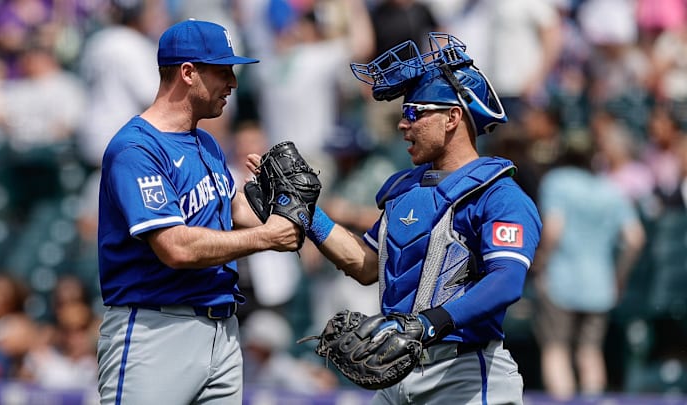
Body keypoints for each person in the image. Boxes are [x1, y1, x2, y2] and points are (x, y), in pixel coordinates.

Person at [251, 33, 542, 404]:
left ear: (453, 117)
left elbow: (507, 282)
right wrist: (307, 215)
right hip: (396, 373)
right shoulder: (406, 189)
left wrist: (427, 323)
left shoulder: (499, 195)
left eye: (414, 112)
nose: (404, 125)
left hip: (465, 374)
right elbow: (366, 264)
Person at [96, 19, 302, 404]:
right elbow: (176, 247)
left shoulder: (205, 142)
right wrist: (267, 237)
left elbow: (235, 209)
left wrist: (287, 206)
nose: (233, 83)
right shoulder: (135, 149)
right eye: (223, 70)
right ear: (188, 72)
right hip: (156, 330)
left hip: (222, 329)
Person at [534, 135, 646, 400]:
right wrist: (619, 276)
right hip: (600, 284)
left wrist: (541, 264)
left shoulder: (556, 182)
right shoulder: (611, 188)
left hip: (560, 280)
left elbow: (553, 229)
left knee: (556, 348)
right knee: (590, 351)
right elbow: (635, 238)